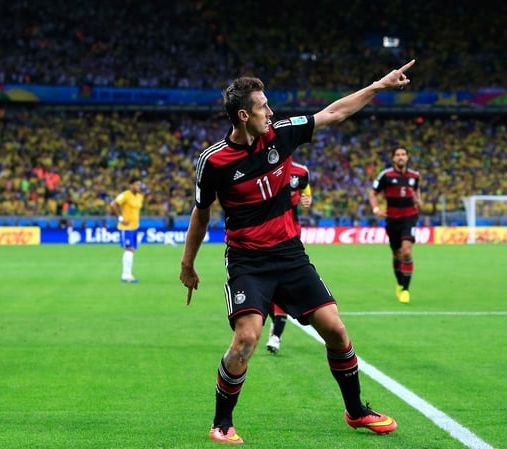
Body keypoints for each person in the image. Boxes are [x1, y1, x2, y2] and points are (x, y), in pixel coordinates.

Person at [179, 59, 414, 444]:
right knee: (247, 340)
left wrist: (379, 85)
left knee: (336, 330)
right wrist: (188, 263)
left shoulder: (281, 134)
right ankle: (222, 423)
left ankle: (356, 412)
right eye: (263, 108)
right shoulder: (214, 162)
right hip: (248, 262)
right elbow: (201, 213)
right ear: (243, 115)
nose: (271, 113)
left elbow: (334, 112)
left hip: (290, 256)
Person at [266, 158, 312, 354]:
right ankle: (275, 322)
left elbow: (306, 193)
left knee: (280, 284)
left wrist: (307, 199)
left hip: (290, 237)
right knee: (266, 288)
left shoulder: (301, 172)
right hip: (263, 236)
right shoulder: (263, 166)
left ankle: (276, 334)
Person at [368, 147, 422, 304]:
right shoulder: (385, 175)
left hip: (410, 217)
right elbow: (372, 193)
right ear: (393, 159)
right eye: (398, 155)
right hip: (392, 219)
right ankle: (399, 283)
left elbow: (417, 192)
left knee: (406, 252)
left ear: (407, 157)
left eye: (403, 154)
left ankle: (405, 290)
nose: (401, 157)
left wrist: (419, 200)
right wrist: (376, 208)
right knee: (397, 254)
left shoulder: (415, 176)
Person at [109, 177, 144, 283]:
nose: (139, 187)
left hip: (135, 227)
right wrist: (120, 218)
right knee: (129, 249)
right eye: (137, 184)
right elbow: (112, 204)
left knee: (131, 249)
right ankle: (126, 275)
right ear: (131, 185)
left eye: (140, 184)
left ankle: (128, 274)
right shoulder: (125, 195)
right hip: (126, 227)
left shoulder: (140, 196)